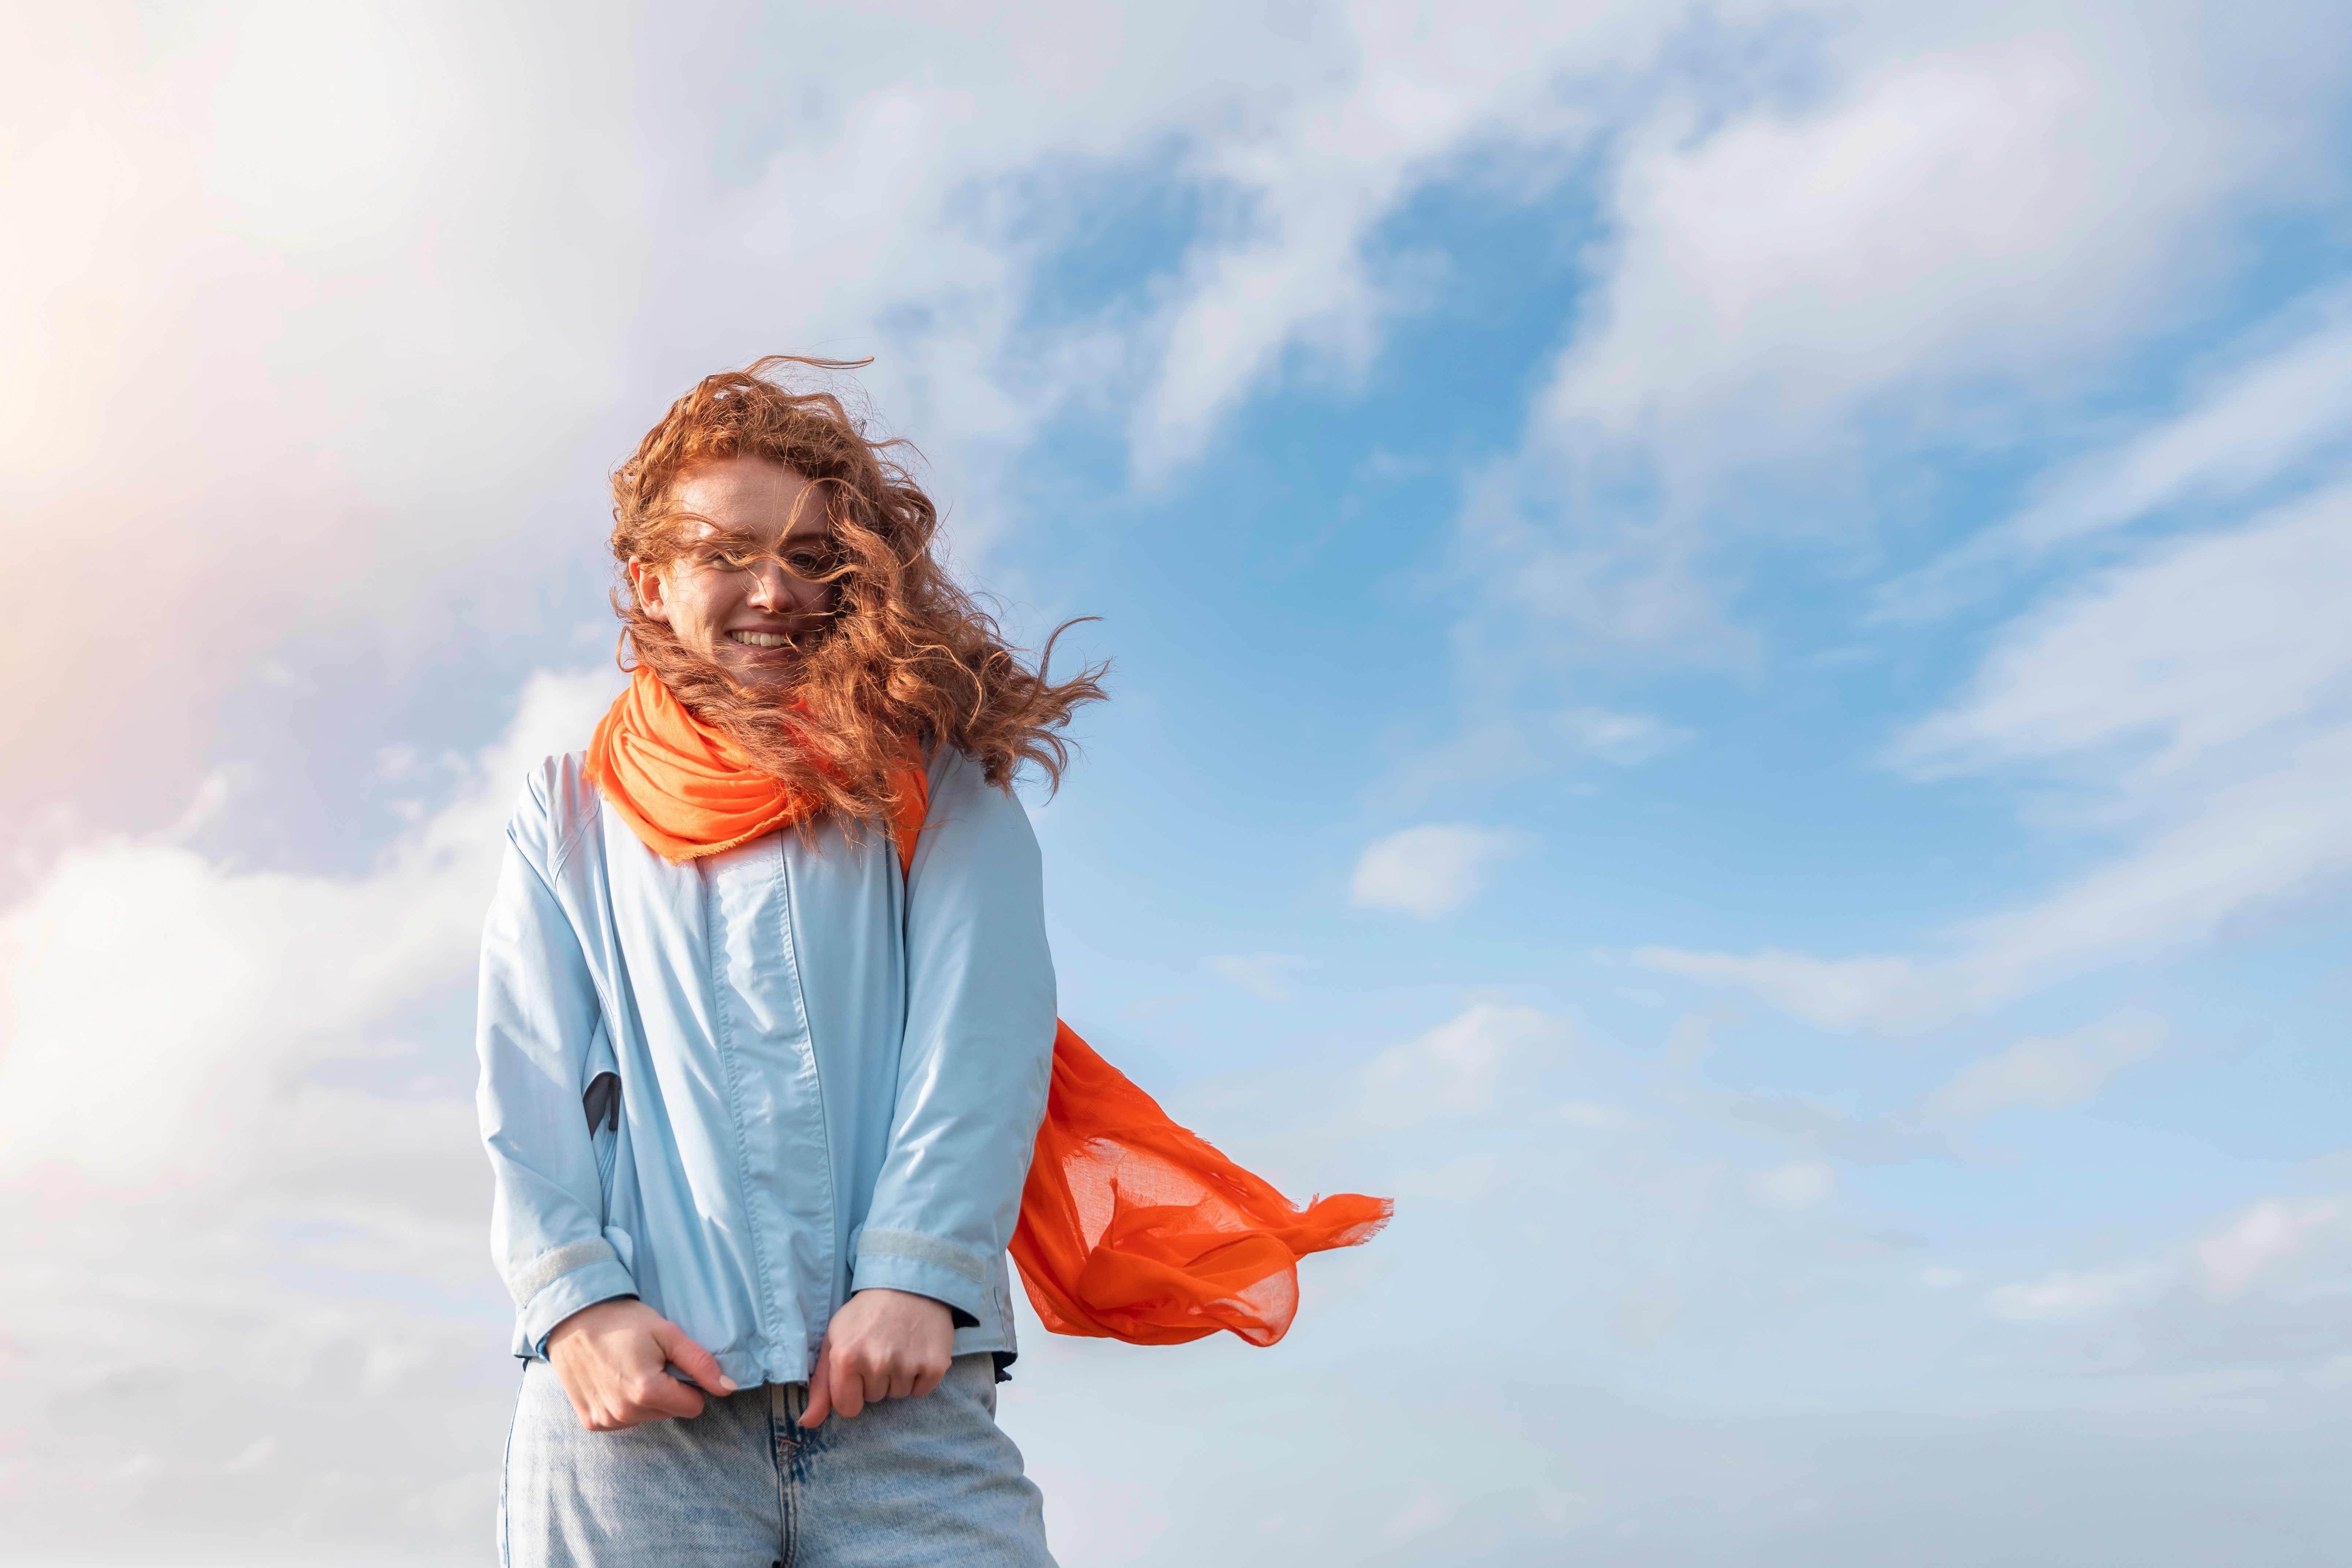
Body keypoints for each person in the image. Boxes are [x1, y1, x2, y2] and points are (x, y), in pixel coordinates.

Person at [476, 357, 1385, 1568]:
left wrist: (919, 1274)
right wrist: (576, 1305)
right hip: (640, 1411)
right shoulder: (569, 807)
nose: (772, 590)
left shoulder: (943, 783)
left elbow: (982, 1041)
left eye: (811, 557)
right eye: (725, 553)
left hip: (901, 1397)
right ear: (650, 578)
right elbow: (528, 1078)